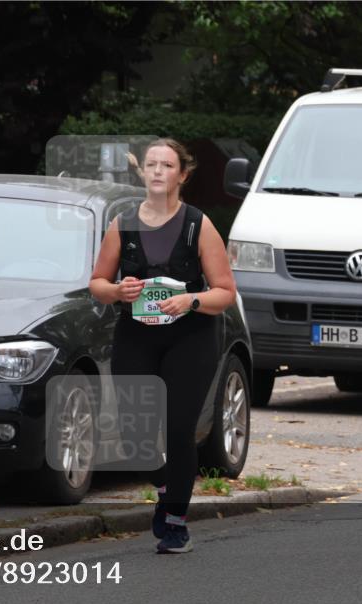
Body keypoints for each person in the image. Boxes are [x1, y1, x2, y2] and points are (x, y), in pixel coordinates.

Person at [89, 138, 237, 554]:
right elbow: (97, 283)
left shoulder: (198, 225)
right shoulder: (123, 224)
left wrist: (190, 300)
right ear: (142, 173)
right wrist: (118, 291)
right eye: (151, 164)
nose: (157, 171)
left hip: (189, 337)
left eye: (166, 165)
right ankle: (166, 483)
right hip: (136, 335)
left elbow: (225, 291)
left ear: (182, 175)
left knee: (177, 430)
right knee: (135, 438)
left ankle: (175, 522)